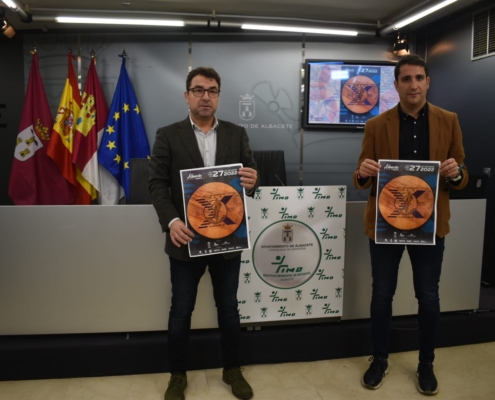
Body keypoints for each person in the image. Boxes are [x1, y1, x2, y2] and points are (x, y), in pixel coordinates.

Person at [353, 54, 468, 396]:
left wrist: (457, 173)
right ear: (397, 84)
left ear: (428, 82)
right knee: (381, 296)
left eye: (419, 78)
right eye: (406, 79)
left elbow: (461, 172)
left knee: (429, 297)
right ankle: (379, 359)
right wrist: (363, 173)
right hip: (386, 224)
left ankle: (426, 364)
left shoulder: (449, 120)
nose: (413, 84)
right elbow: (361, 172)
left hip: (429, 226)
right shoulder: (377, 124)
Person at [149, 67, 259, 400]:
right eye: (198, 90)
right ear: (187, 96)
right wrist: (172, 222)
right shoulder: (168, 135)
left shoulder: (237, 134)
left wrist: (254, 182)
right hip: (186, 241)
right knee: (181, 310)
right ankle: (177, 375)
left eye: (212, 90)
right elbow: (156, 184)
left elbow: (249, 181)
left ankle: (232, 369)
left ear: (218, 95)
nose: (205, 96)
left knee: (228, 308)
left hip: (227, 240)